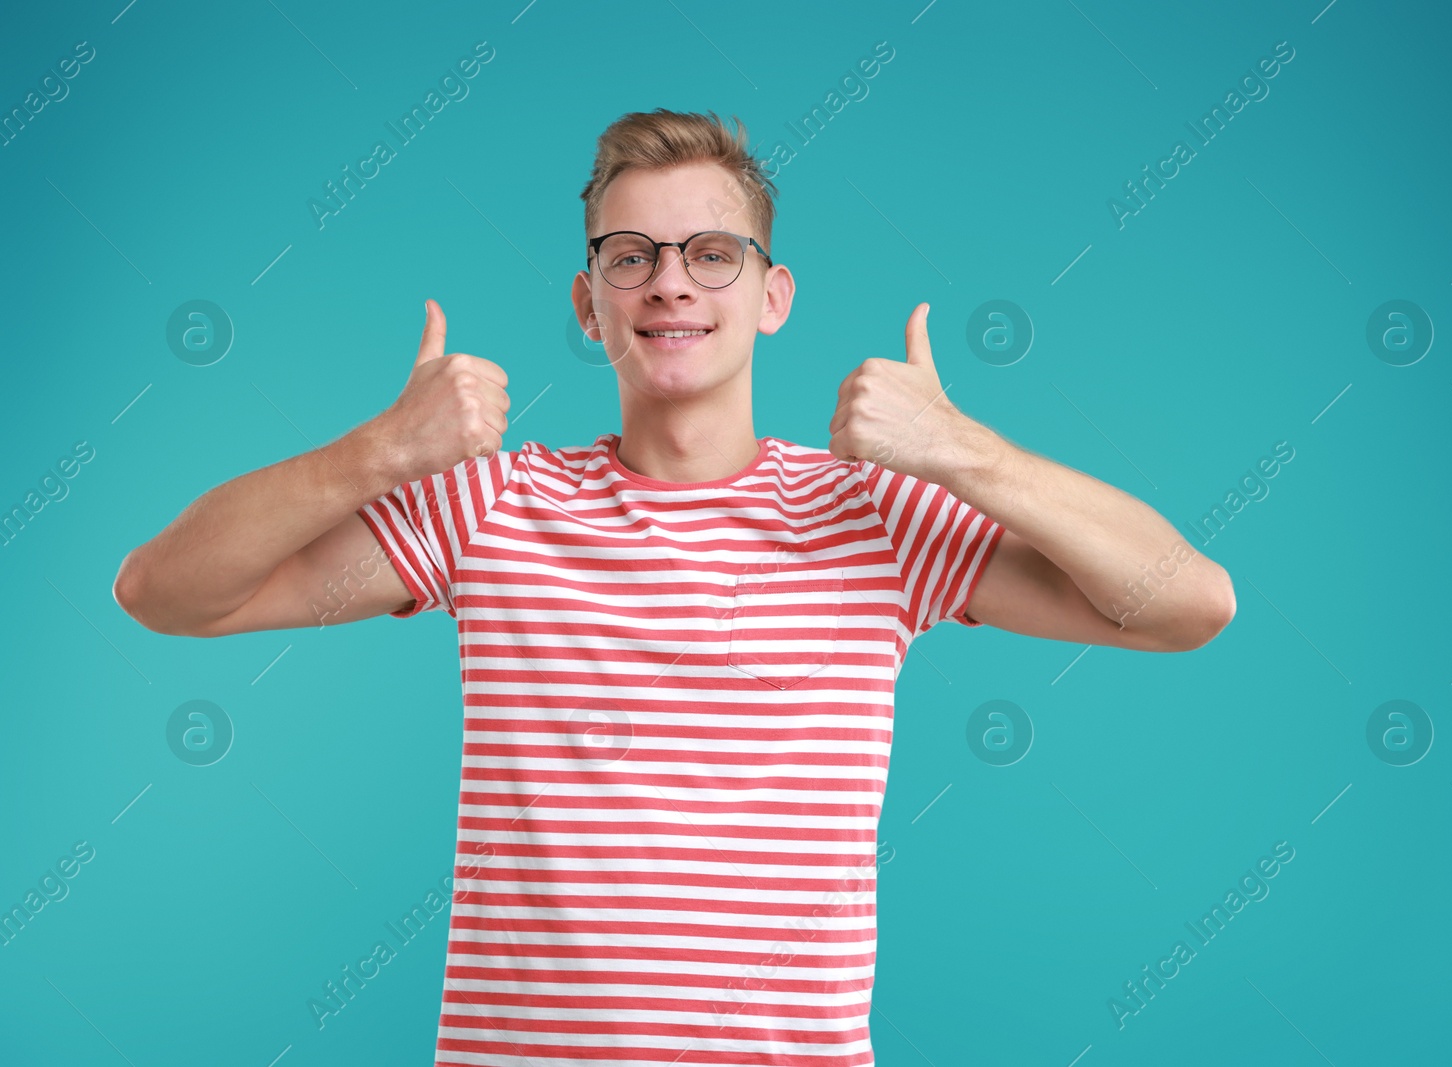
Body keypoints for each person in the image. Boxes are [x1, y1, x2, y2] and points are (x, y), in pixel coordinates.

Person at [114, 108, 1235, 1066]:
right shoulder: (490, 509)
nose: (668, 283)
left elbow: (1187, 602)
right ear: (589, 299)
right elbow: (168, 591)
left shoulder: (879, 520)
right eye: (630, 255)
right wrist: (381, 452)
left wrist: (964, 453)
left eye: (712, 252)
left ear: (772, 292)